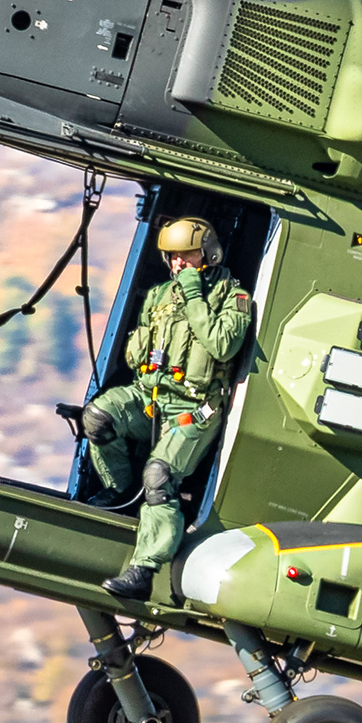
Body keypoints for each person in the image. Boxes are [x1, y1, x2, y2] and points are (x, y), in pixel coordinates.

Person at [89, 217, 253, 601]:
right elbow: (137, 356)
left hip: (196, 408)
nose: (179, 263)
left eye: (187, 255)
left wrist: (195, 297)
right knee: (99, 418)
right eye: (173, 256)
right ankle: (118, 490)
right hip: (151, 398)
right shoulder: (160, 295)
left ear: (208, 254)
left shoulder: (234, 297)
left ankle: (144, 570)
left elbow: (222, 346)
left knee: (159, 475)